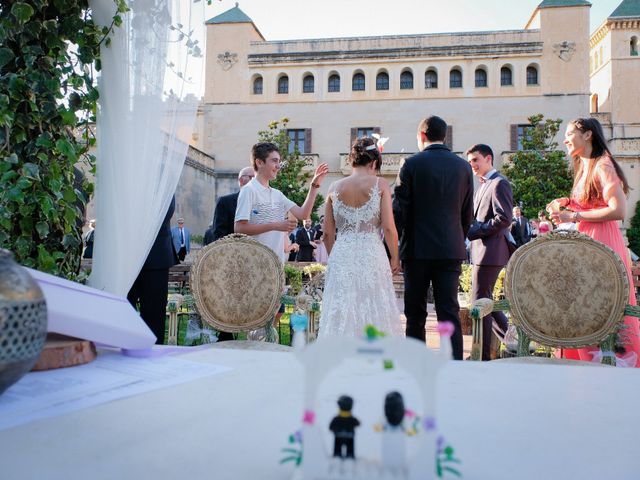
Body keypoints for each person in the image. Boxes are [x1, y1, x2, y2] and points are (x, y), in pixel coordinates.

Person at [549, 117, 640, 367]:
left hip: (602, 244)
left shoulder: (603, 165)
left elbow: (619, 210)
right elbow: (592, 201)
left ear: (588, 135)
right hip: (586, 243)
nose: (565, 139)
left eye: (569, 133)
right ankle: (583, 368)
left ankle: (604, 366)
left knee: (597, 306)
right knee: (581, 307)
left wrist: (574, 215)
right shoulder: (584, 166)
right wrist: (567, 203)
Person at [393, 116, 474, 360]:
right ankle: (454, 363)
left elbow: (400, 210)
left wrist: (394, 245)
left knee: (415, 314)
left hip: (417, 250)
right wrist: (456, 236)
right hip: (450, 248)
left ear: (421, 136)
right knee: (449, 310)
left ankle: (416, 363)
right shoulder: (463, 166)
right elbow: (467, 212)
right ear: (444, 137)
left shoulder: (411, 164)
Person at [318, 137, 403, 338]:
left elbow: (328, 233)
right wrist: (395, 257)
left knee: (342, 307)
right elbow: (389, 228)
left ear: (352, 161)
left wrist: (335, 255)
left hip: (342, 251)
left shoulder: (333, 187)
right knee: (374, 302)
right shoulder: (380, 184)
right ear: (374, 162)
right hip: (372, 251)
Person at [234, 142, 328, 264]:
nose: (278, 166)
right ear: (259, 162)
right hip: (254, 265)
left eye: (279, 161)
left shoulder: (277, 194)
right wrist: (276, 225)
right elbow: (239, 228)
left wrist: (314, 185)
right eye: (274, 161)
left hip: (277, 264)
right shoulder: (249, 190)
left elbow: (303, 214)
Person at [466, 144, 513, 360]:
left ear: (488, 158)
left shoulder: (499, 183)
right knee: (487, 302)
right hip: (482, 251)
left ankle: (482, 355)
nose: (472, 165)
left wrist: (476, 231)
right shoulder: (483, 185)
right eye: (470, 161)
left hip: (491, 252)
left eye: (476, 160)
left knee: (480, 302)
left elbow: (504, 219)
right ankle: (513, 342)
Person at [128, 197, 178, 344]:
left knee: (153, 321)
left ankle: (151, 358)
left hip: (155, 254)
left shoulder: (162, 174)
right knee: (119, 315)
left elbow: (166, 207)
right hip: (124, 253)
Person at [212, 166, 255, 242]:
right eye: (251, 177)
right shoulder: (225, 202)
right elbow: (219, 234)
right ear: (241, 180)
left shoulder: (262, 201)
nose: (255, 181)